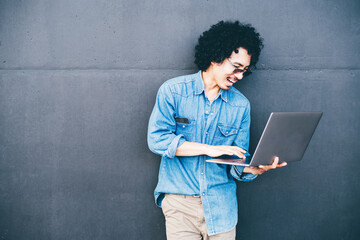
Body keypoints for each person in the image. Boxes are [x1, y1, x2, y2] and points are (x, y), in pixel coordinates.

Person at [147, 20, 287, 240]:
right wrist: (208, 149)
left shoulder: (241, 106)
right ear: (216, 56)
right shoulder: (172, 91)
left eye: (245, 71)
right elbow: (157, 140)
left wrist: (254, 169)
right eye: (236, 67)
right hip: (180, 206)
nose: (240, 76)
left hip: (222, 207)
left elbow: (236, 164)